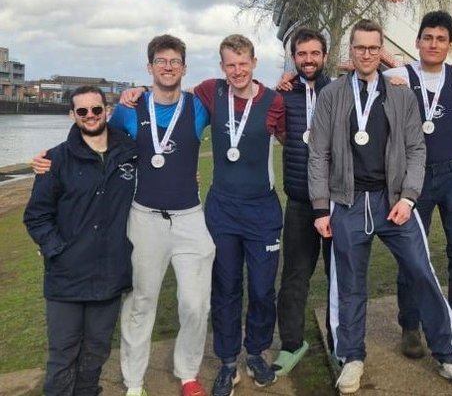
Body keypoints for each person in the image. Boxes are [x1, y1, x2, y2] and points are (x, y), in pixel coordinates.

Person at [308, 19, 452, 394]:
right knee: (349, 285)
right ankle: (351, 357)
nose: (366, 54)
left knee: (422, 273)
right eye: (359, 48)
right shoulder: (332, 95)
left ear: (381, 50)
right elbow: (318, 154)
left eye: (373, 48)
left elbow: (417, 149)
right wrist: (321, 208)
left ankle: (449, 357)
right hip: (348, 202)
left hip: (393, 202)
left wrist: (408, 197)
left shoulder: (400, 94)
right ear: (350, 52)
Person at [118, 34, 286, 395]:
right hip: (220, 208)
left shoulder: (274, 101)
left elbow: (297, 139)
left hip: (260, 210)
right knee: (224, 289)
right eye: (230, 64)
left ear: (254, 62)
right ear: (221, 67)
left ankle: (255, 353)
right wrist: (128, 94)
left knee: (260, 290)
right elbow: (97, 138)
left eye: (243, 63)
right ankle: (227, 363)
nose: (237, 70)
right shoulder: (209, 94)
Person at [383, 11, 452, 364]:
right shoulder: (395, 76)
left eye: (441, 39)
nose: (433, 44)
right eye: (428, 37)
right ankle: (411, 326)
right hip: (413, 179)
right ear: (418, 41)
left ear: (450, 45)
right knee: (413, 256)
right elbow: (360, 81)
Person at [24, 86, 137, 396]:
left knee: (96, 351)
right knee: (63, 354)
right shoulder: (55, 160)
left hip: (110, 273)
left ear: (108, 110)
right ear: (72, 115)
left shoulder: (130, 153)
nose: (90, 116)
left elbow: (163, 171)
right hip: (66, 276)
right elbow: (36, 216)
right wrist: (56, 250)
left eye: (96, 109)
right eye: (83, 111)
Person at [272, 27, 333, 375]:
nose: (308, 60)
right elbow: (277, 131)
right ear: (293, 57)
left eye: (314, 53)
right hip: (299, 201)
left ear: (324, 55)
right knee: (295, 277)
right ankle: (292, 344)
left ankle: (343, 342)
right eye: (301, 54)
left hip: (339, 201)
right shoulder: (283, 95)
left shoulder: (340, 89)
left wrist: (395, 73)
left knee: (341, 278)